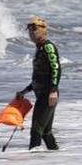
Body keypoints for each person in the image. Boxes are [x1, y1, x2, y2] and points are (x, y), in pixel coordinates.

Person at [16, 16, 61, 150]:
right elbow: (38, 78)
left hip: (48, 95)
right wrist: (24, 91)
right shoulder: (39, 48)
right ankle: (54, 158)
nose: (32, 33)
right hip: (42, 94)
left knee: (36, 130)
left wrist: (53, 90)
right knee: (46, 132)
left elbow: (56, 68)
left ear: (44, 30)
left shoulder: (48, 47)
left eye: (35, 29)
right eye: (30, 30)